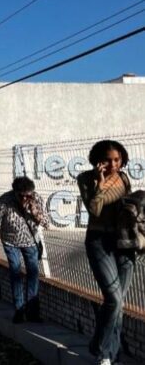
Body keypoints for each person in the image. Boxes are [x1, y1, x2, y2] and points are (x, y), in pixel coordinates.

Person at [78, 140, 133, 365]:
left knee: (119, 304)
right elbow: (94, 210)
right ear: (98, 160)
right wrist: (100, 183)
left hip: (124, 242)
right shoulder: (85, 179)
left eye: (117, 160)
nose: (113, 165)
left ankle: (110, 353)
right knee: (113, 299)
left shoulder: (124, 179)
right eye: (108, 160)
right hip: (99, 241)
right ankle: (101, 349)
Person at [0, 176, 48, 324]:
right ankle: (19, 310)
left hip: (30, 241)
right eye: (21, 195)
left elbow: (47, 223)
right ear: (15, 192)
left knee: (33, 274)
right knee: (15, 272)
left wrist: (35, 212)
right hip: (10, 241)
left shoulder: (36, 199)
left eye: (27, 195)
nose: (24, 198)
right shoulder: (5, 200)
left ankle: (33, 312)